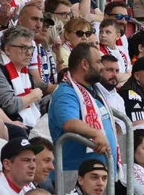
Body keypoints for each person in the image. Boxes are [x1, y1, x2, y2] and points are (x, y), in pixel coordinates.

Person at [49, 43, 118, 175]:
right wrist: (96, 133)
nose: (102, 67)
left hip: (99, 175)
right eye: (98, 62)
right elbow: (69, 123)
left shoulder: (94, 90)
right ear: (84, 64)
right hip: (75, 177)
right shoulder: (66, 93)